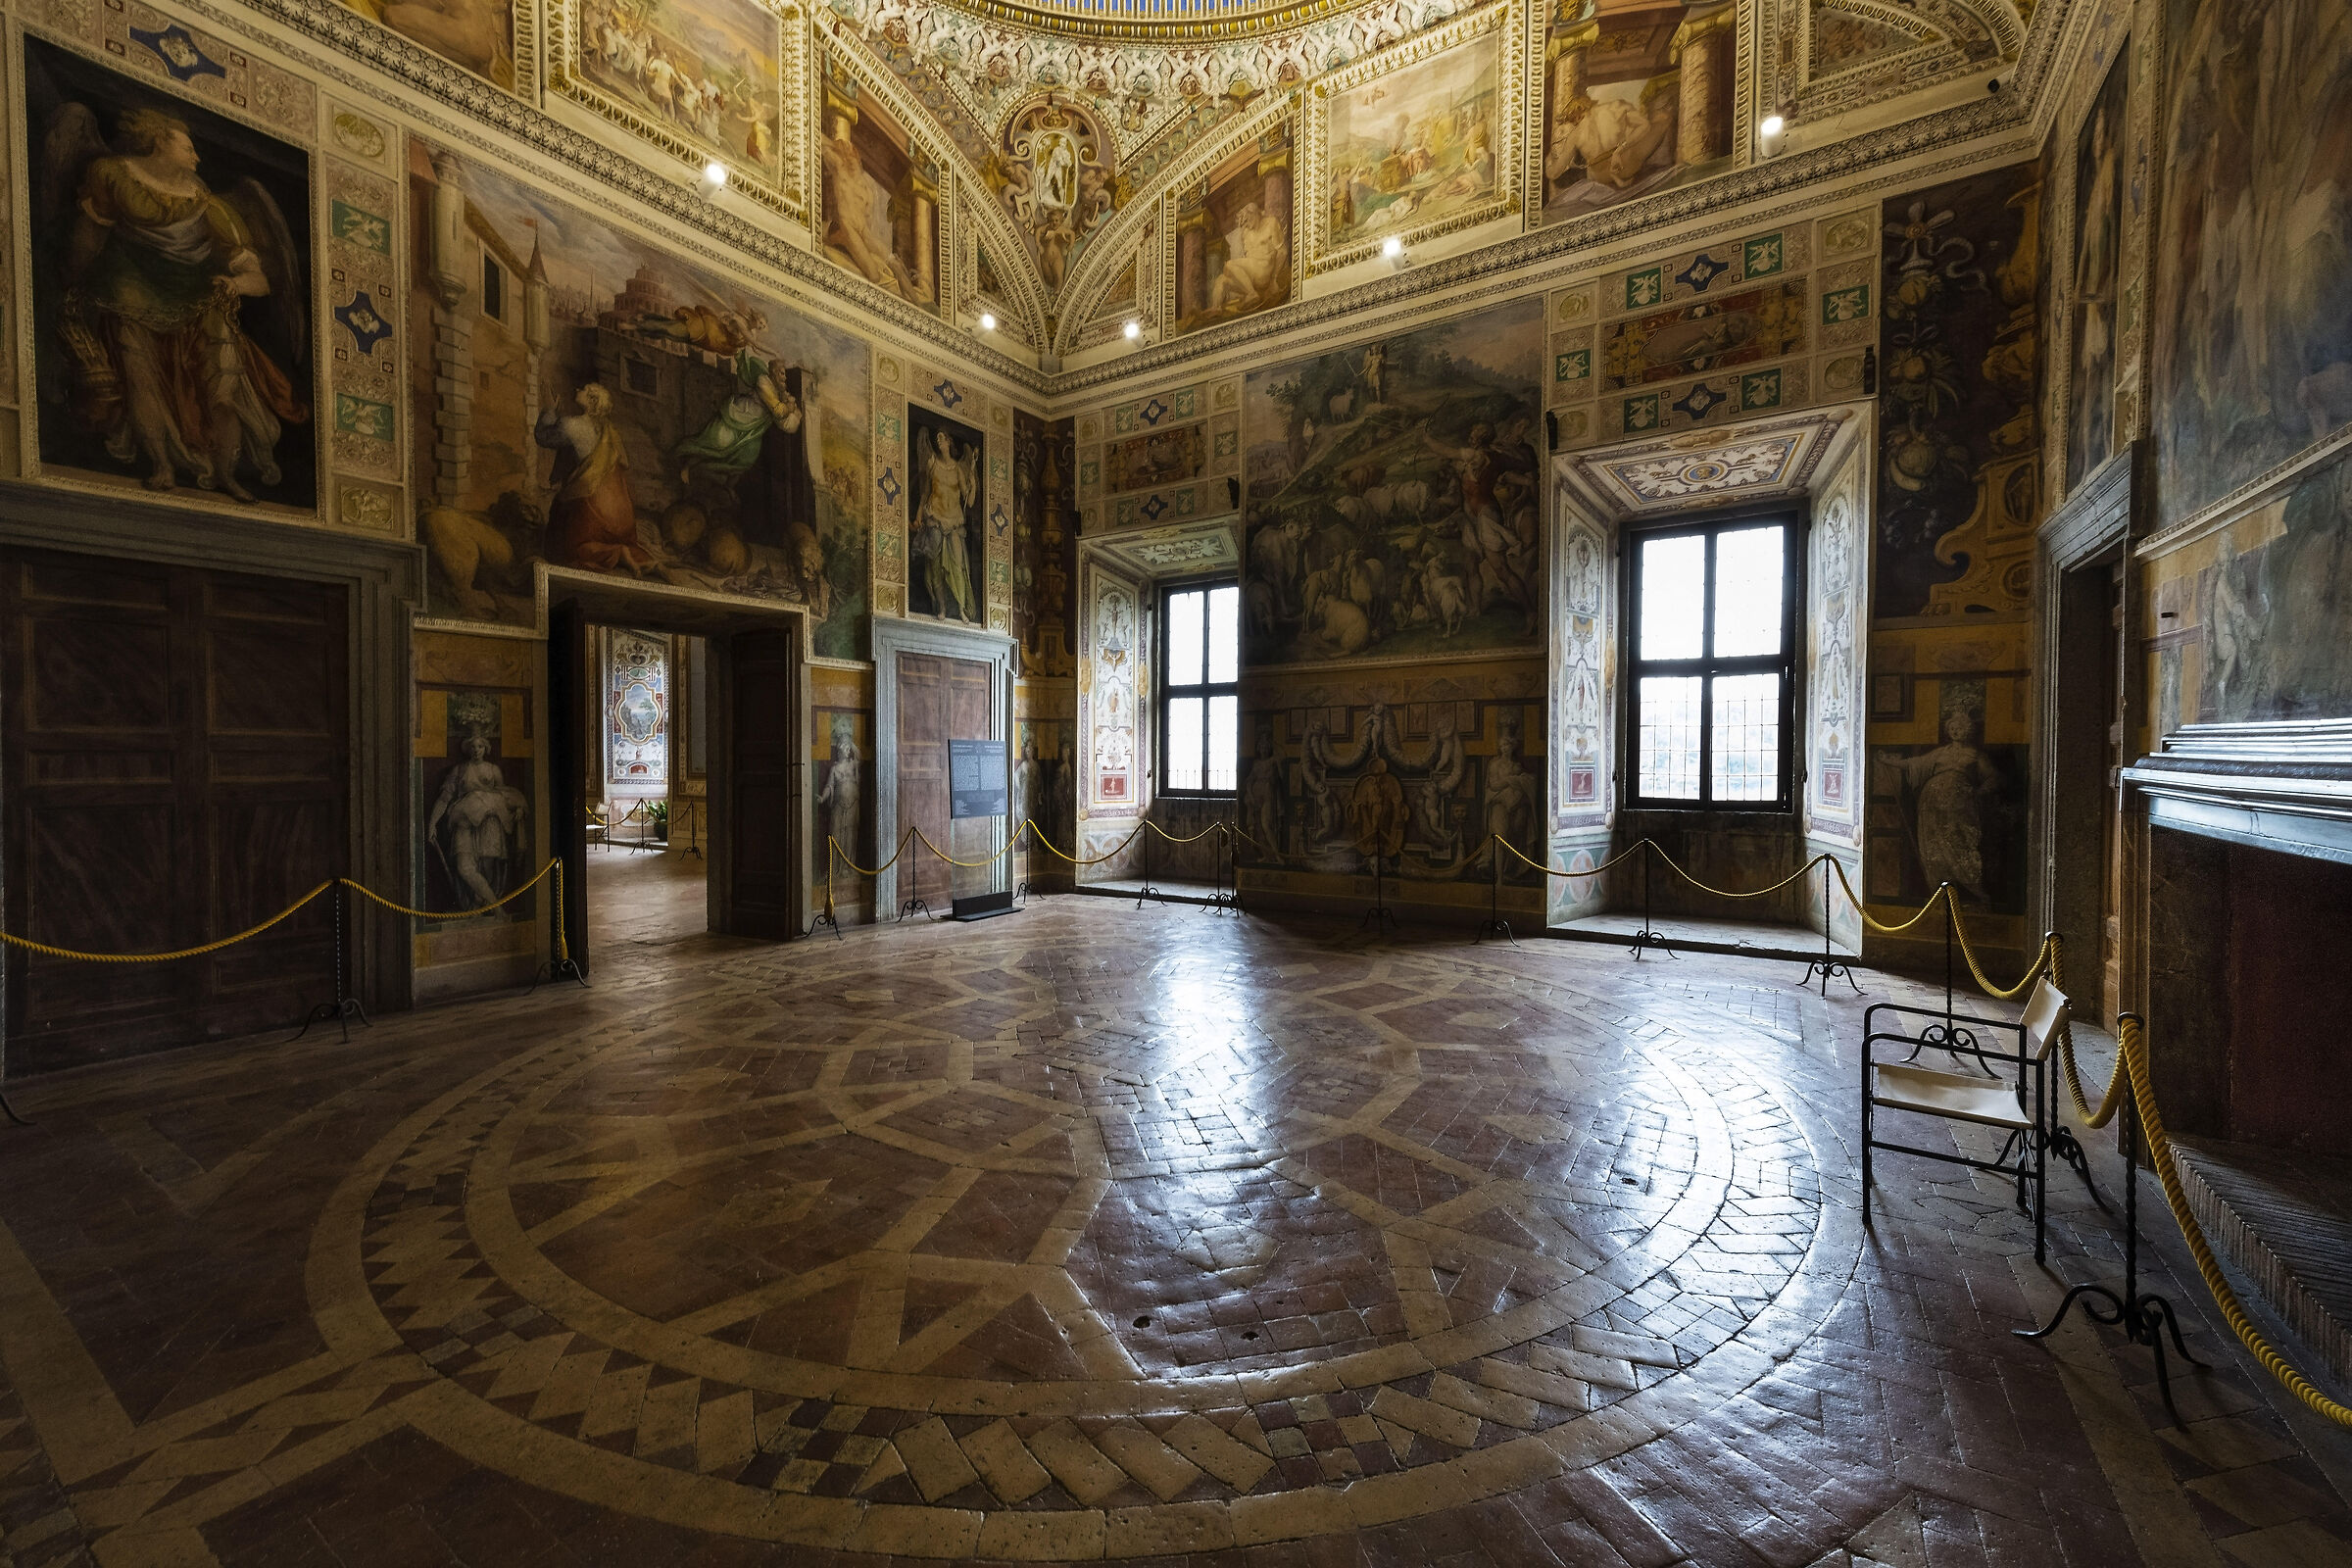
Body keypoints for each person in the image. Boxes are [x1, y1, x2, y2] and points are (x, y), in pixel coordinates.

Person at [55, 107, 308, 501]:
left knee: (224, 390)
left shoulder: (208, 205)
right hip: (130, 287)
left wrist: (236, 282)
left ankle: (226, 473)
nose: (197, 157)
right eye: (188, 148)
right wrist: (71, 281)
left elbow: (258, 278)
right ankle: (161, 464)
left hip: (199, 296)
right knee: (141, 381)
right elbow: (89, 237)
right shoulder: (112, 175)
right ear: (159, 139)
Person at [537, 383, 655, 572]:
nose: (576, 390)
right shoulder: (610, 430)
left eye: (582, 389)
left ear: (592, 401)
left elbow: (543, 437)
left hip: (591, 510)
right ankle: (632, 556)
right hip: (619, 514)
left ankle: (618, 553)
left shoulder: (573, 425)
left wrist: (549, 409)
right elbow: (622, 463)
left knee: (566, 550)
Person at [427, 729, 530, 906]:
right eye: (473, 747)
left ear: (486, 748)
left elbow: (504, 795)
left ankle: (484, 905)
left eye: (480, 746)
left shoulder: (493, 770)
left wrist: (518, 807)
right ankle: (493, 908)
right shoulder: (459, 770)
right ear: (467, 749)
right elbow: (444, 798)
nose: (476, 750)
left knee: (488, 866)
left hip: (490, 822)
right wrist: (432, 823)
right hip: (464, 822)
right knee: (464, 867)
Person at [915, 427, 980, 620]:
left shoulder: (958, 469)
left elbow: (969, 501)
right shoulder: (932, 463)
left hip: (954, 522)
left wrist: (973, 483)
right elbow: (925, 493)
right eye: (937, 439)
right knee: (935, 567)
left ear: (949, 442)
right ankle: (942, 608)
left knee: (958, 565)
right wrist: (918, 516)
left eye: (942, 438)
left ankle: (960, 609)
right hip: (935, 518)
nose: (939, 442)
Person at [1203, 200, 1290, 318]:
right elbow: (1246, 261)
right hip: (1253, 276)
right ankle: (1216, 307)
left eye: (1247, 221)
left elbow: (1282, 251)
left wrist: (1274, 279)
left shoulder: (1271, 223)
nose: (1246, 225)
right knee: (1222, 280)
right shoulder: (1246, 233)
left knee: (1229, 265)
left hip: (1264, 271)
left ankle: (1251, 294)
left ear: (1254, 214)